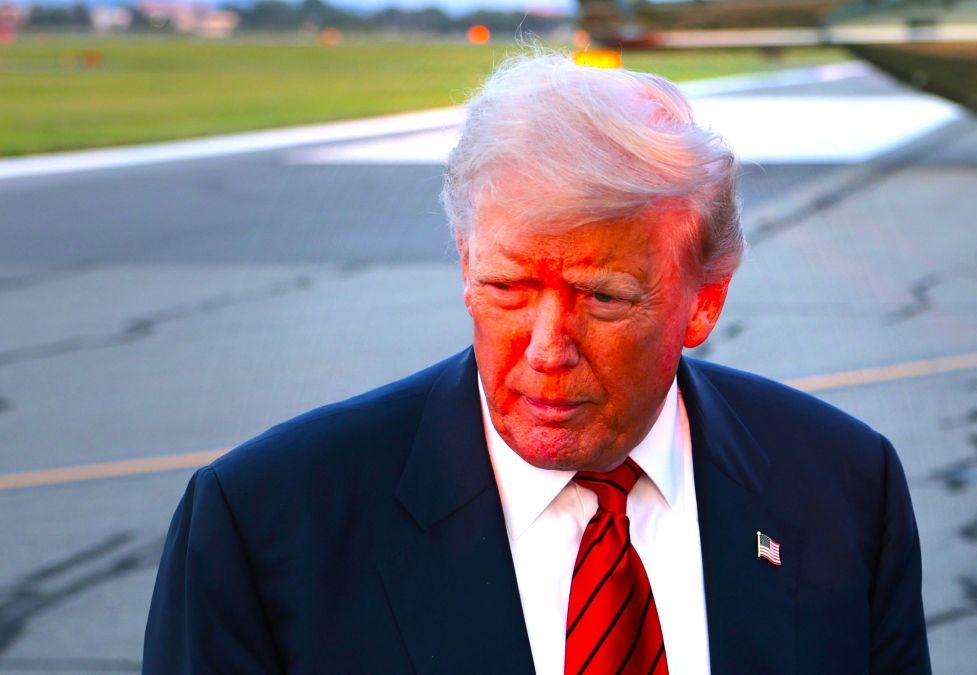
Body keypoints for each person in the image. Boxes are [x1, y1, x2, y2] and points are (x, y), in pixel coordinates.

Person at [143, 53, 931, 674]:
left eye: (603, 297)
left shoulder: (846, 488)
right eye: (508, 286)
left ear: (704, 301)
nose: (547, 348)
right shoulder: (267, 522)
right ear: (463, 264)